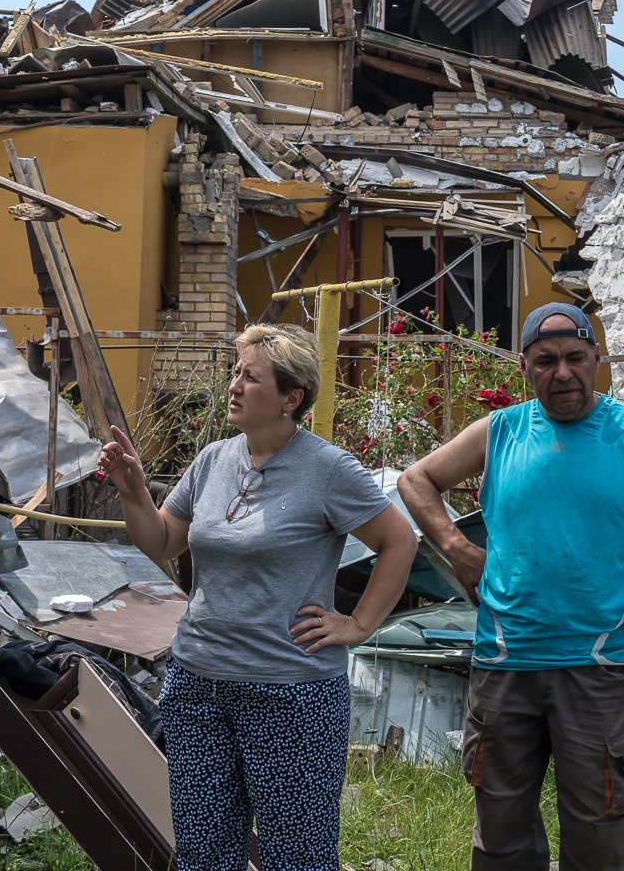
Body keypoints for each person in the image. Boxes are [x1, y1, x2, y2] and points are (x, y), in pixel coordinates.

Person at [398, 302, 624, 871]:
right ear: (525, 367)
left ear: (598, 357)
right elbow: (415, 479)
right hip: (503, 664)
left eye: (573, 357)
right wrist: (458, 549)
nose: (561, 372)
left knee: (600, 841)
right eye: (545, 361)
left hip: (596, 669)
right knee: (500, 839)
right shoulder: (501, 431)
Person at [100, 322, 417, 871]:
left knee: (295, 856)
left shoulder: (328, 469)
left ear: (291, 398)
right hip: (198, 682)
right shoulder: (213, 460)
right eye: (235, 373)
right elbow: (163, 540)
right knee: (203, 853)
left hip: (289, 692)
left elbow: (399, 540)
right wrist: (132, 493)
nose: (234, 385)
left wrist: (358, 624)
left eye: (251, 376)